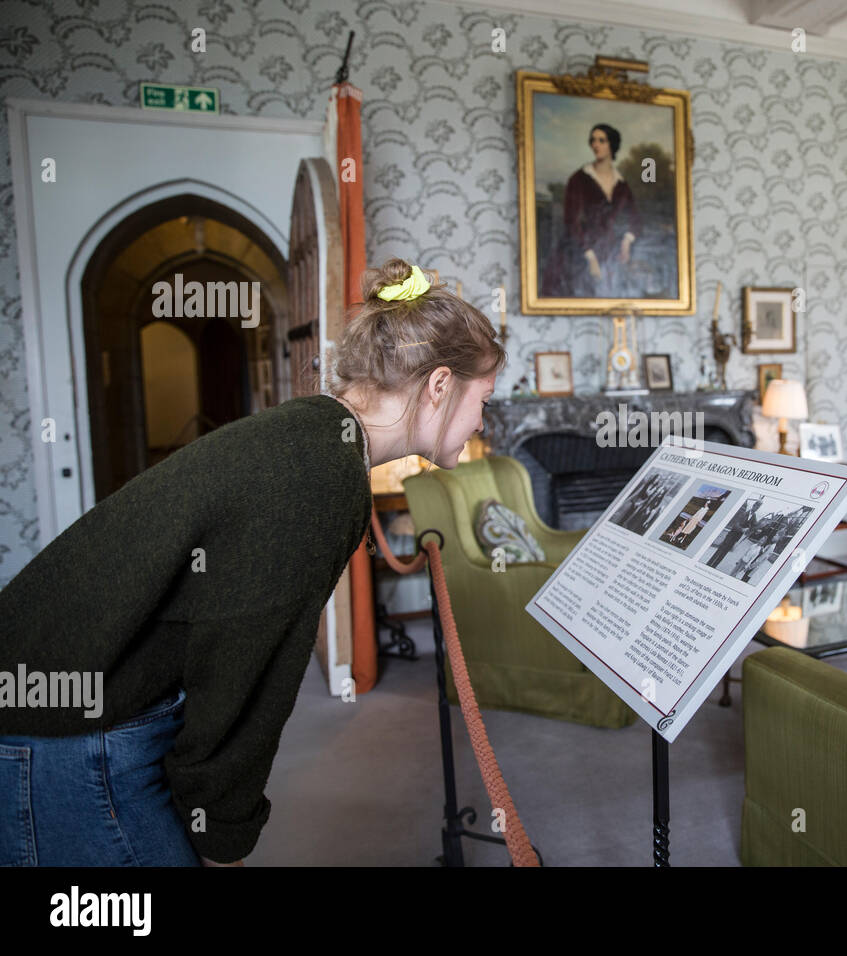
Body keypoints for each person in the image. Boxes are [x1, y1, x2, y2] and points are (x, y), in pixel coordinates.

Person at [0, 258, 504, 866]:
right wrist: (223, 837)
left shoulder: (315, 435)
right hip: (68, 727)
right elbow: (241, 680)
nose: (483, 422)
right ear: (440, 385)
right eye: (486, 399)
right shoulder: (317, 479)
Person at [540, 123, 642, 299]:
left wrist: (626, 241)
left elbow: (635, 219)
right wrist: (590, 256)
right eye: (593, 140)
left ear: (612, 145)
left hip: (610, 252)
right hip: (579, 251)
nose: (596, 145)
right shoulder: (579, 179)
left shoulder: (622, 184)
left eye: (601, 140)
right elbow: (572, 221)